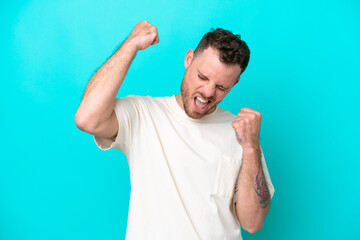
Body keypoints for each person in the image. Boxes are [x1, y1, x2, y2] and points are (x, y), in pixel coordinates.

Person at [75, 20, 275, 240]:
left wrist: (250, 147)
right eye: (202, 77)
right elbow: (87, 118)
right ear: (188, 59)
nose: (208, 92)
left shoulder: (242, 134)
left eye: (221, 87)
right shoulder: (144, 115)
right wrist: (130, 45)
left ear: (235, 83)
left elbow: (253, 223)